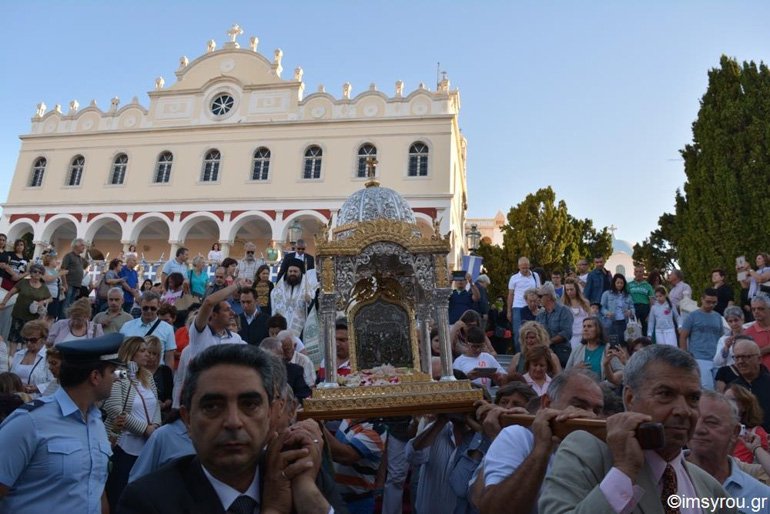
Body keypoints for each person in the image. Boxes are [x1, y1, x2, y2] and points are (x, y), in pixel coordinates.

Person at [118, 344, 331, 514]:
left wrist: (308, 496)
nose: (233, 422)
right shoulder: (149, 501)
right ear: (188, 420)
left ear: (272, 414)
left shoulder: (301, 476)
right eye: (212, 407)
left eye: (249, 405)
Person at [539, 345, 733, 513]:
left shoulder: (712, 490)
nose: (683, 411)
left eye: (693, 398)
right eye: (665, 394)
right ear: (630, 399)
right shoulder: (585, 452)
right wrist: (623, 472)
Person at [0, 333, 123, 514]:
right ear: (95, 376)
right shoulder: (30, 422)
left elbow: (95, 487)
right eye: (112, 372)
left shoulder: (96, 422)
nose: (116, 378)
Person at [477, 369, 604, 514]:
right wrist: (541, 449)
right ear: (547, 403)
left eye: (597, 411)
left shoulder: (599, 447)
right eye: (579, 406)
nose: (590, 415)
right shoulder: (518, 436)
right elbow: (493, 510)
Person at [103, 336, 161, 512]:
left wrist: (156, 428)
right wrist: (144, 429)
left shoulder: (148, 375)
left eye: (148, 351)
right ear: (130, 353)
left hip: (146, 445)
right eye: (142, 351)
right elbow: (114, 408)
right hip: (123, 444)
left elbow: (156, 404)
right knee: (119, 491)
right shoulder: (119, 374)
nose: (147, 355)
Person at [686, 390, 770, 508]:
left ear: (735, 432)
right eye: (694, 420)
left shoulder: (762, 497)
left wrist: (756, 448)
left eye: (711, 422)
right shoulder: (663, 481)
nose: (699, 429)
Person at [172, 280, 245, 408]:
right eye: (227, 310)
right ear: (214, 314)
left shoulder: (236, 339)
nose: (233, 313)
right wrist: (237, 285)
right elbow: (209, 302)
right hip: (201, 399)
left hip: (225, 399)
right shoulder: (199, 333)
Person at [718, 338, 770, 431]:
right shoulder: (732, 388)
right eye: (737, 357)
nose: (740, 361)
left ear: (759, 359)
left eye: (745, 357)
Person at [0, 263, 51, 354]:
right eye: (35, 271)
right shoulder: (23, 282)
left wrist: (42, 302)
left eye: (40, 272)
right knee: (14, 337)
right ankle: (11, 356)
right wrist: (3, 303)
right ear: (31, 273)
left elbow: (50, 298)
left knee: (28, 338)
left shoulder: (43, 287)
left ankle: (23, 355)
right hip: (19, 313)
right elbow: (11, 292)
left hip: (32, 317)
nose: (37, 274)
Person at [679, 288, 725, 390]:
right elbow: (683, 336)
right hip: (699, 357)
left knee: (719, 390)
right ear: (702, 300)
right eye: (708, 302)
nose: (711, 305)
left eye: (714, 302)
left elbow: (721, 338)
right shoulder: (692, 316)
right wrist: (685, 356)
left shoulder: (718, 317)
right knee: (707, 388)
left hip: (716, 358)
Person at [120, 291, 177, 368]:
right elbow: (122, 353)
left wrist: (169, 378)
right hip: (131, 373)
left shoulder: (168, 329)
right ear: (140, 305)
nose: (149, 311)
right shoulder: (127, 326)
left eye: (153, 308)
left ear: (159, 306)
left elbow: (169, 357)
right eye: (145, 308)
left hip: (156, 374)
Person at [566, 316, 622, 380]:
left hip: (603, 388)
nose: (585, 329)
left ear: (598, 330)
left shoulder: (608, 349)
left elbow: (620, 371)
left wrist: (606, 384)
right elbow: (565, 374)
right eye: (584, 326)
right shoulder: (577, 350)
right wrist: (575, 369)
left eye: (589, 326)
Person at [724, 383, 769, 464]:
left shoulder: (757, 434)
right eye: (724, 399)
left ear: (745, 406)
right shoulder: (717, 429)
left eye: (732, 400)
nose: (727, 403)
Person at [452, 326, 506, 392]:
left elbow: (505, 379)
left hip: (486, 397)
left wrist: (496, 377)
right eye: (474, 346)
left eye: (480, 346)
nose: (478, 350)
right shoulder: (458, 362)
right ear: (466, 342)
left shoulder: (488, 357)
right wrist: (467, 377)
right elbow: (454, 387)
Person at [271, 258, 315, 336]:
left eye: (295, 271)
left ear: (300, 273)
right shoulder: (278, 290)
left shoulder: (308, 289)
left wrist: (310, 301)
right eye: (290, 271)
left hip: (300, 330)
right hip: (281, 329)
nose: (292, 273)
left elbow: (313, 309)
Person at [259, 336, 311, 402]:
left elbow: (304, 395)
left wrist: (290, 404)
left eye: (274, 358)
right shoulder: (256, 373)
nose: (271, 362)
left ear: (282, 355)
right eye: (267, 358)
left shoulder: (294, 370)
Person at [9, 320, 53, 396]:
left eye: (33, 340)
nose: (28, 343)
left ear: (44, 339)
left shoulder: (49, 357)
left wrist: (37, 388)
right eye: (26, 340)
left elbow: (55, 383)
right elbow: (10, 377)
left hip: (38, 399)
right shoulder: (18, 355)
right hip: (15, 397)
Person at [507, 257, 541, 353]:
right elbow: (510, 295)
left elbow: (539, 290)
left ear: (529, 266)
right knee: (519, 333)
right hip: (518, 306)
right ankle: (520, 354)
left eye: (526, 267)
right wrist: (509, 311)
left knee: (534, 331)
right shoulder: (514, 278)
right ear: (518, 267)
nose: (525, 270)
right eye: (522, 268)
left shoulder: (535, 276)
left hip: (533, 307)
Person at [535, 282, 573, 368]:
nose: (538, 299)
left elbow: (567, 333)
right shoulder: (540, 315)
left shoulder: (564, 311)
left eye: (540, 296)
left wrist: (549, 342)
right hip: (544, 354)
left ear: (548, 296)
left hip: (561, 352)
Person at [600, 273, 635, 346]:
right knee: (612, 344)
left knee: (624, 344)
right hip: (611, 323)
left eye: (621, 283)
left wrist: (630, 311)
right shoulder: (607, 294)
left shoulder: (627, 295)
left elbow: (632, 307)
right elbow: (602, 308)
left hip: (624, 323)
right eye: (618, 282)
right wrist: (607, 313)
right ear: (614, 283)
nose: (619, 285)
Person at [562, 277, 590, 351]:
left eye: (571, 289)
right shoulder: (564, 305)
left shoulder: (585, 303)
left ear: (577, 289)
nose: (569, 292)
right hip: (571, 337)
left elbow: (590, 319)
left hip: (585, 335)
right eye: (567, 290)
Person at [59, 238, 87, 310]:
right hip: (69, 284)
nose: (84, 247)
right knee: (66, 304)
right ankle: (62, 320)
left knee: (71, 306)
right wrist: (65, 284)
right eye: (82, 245)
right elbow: (62, 270)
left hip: (76, 285)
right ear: (76, 246)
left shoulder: (80, 259)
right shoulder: (69, 256)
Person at [745, 293, 770, 370]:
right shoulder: (747, 333)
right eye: (753, 309)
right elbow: (746, 357)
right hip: (761, 377)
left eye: (760, 309)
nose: (756, 312)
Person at [627, 265, 654, 335]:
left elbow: (652, 301)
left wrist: (650, 314)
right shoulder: (629, 285)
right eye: (636, 272)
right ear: (634, 273)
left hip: (645, 308)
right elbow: (625, 298)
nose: (638, 273)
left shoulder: (648, 286)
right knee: (631, 329)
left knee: (646, 329)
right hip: (633, 307)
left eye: (640, 272)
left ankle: (646, 344)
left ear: (643, 273)